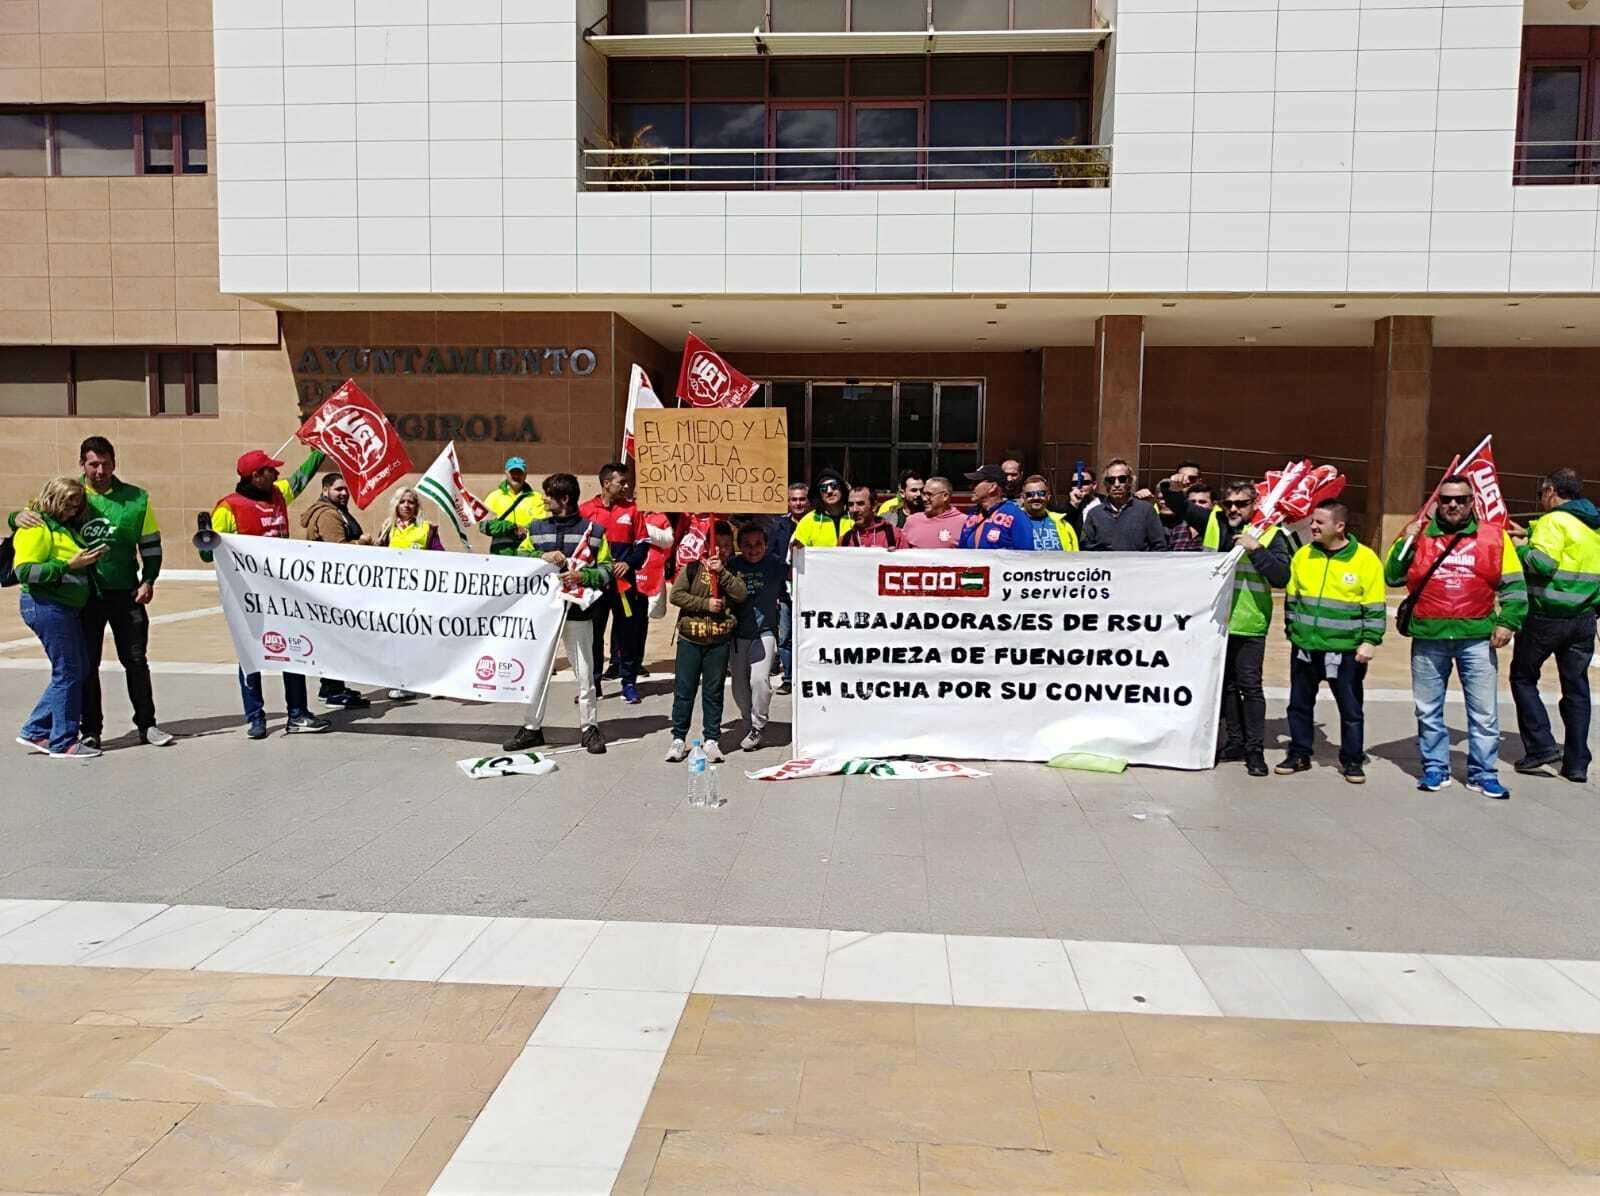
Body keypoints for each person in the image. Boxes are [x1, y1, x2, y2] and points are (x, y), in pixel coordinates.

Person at [8, 436, 172, 749]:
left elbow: (150, 546)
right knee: (87, 666)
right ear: (82, 464)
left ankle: (147, 724)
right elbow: (30, 516)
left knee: (136, 660)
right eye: (93, 464)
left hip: (127, 593)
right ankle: (91, 729)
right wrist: (14, 517)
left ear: (115, 463)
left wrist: (149, 579)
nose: (100, 471)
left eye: (106, 464)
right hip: (86, 598)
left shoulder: (137, 499)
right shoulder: (68, 493)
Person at [1387, 476, 1525, 799]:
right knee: (1427, 709)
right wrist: (1405, 543)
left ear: (1471, 502)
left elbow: (1515, 587)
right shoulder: (1418, 534)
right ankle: (1435, 767)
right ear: (1437, 502)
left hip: (1476, 637)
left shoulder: (1494, 538)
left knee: (1483, 711)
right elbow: (1392, 576)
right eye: (1446, 499)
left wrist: (1508, 622)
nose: (1453, 505)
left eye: (1460, 499)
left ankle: (1484, 773)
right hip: (1429, 636)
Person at [206, 448, 332, 739]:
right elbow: (208, 553)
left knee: (294, 650)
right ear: (256, 476)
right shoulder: (228, 508)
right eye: (270, 471)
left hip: (282, 594)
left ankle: (297, 713)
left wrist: (319, 452)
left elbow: (299, 480)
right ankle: (255, 717)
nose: (277, 474)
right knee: (250, 655)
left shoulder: (277, 494)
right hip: (247, 596)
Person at [1179, 480, 1292, 777]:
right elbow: (1180, 506)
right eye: (1228, 503)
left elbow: (1281, 576)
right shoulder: (1216, 525)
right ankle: (1235, 742)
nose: (1233, 509)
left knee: (1249, 687)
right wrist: (1171, 487)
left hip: (1249, 622)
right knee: (1226, 686)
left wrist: (1256, 550)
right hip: (1217, 622)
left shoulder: (1270, 534)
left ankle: (1255, 750)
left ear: (1254, 505)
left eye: (1241, 504)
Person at [504, 473, 612, 755]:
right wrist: (542, 557)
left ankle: (589, 728)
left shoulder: (596, 531)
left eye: (548, 495)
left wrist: (583, 576)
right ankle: (531, 729)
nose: (543, 499)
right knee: (537, 673)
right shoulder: (536, 528)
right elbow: (516, 558)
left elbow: (607, 569)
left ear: (563, 499)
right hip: (544, 615)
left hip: (577, 614)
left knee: (585, 673)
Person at [1279, 499, 1386, 783]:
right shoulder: (1303, 555)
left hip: (1346, 650)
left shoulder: (1365, 559)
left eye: (1319, 522)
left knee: (1350, 708)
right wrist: (1293, 631)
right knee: (1299, 704)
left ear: (1339, 526)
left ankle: (1352, 759)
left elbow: (1374, 605)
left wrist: (1370, 641)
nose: (1312, 526)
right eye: (1312, 521)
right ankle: (1299, 752)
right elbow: (1293, 598)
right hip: (1306, 647)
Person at [1509, 467, 1600, 783]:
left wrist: (1521, 546)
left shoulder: (1554, 521)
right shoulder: (1593, 525)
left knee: (1522, 676)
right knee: (1576, 689)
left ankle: (1541, 747)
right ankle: (1577, 764)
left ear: (1550, 491)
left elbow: (1543, 564)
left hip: (1548, 615)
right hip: (1584, 618)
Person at [13, 477, 104, 759]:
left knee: (78, 667)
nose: (72, 510)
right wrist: (68, 565)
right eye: (68, 504)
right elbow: (25, 571)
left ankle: (36, 730)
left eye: (77, 505)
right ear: (54, 499)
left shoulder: (63, 527)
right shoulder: (36, 527)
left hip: (63, 608)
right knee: (67, 672)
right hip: (46, 606)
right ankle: (62, 741)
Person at [666, 521, 747, 763]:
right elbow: (676, 595)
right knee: (684, 690)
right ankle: (678, 739)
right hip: (690, 639)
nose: (720, 550)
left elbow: (741, 594)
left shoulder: (732, 571)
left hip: (719, 641)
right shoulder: (691, 569)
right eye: (716, 545)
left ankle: (711, 739)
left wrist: (722, 573)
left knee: (713, 692)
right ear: (706, 547)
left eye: (725, 546)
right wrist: (705, 605)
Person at [300, 472, 372, 711]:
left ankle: (333, 685)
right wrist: (362, 543)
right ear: (325, 490)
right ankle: (332, 689)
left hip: (336, 590)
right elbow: (337, 551)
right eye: (338, 489)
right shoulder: (328, 515)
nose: (343, 493)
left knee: (337, 638)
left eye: (345, 490)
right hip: (330, 590)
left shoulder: (337, 511)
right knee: (333, 639)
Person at [580, 464, 649, 703]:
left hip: (624, 585)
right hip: (595, 583)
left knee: (627, 633)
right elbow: (579, 548)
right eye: (622, 482)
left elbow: (642, 546)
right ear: (606, 483)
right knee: (593, 634)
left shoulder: (633, 510)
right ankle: (593, 683)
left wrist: (629, 563)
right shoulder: (587, 510)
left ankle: (628, 683)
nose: (627, 486)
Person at [377, 485, 444, 700]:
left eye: (411, 502)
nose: (406, 505)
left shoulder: (427, 528)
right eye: (403, 501)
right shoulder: (388, 528)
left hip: (420, 592)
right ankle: (402, 682)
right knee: (398, 639)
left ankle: (434, 681)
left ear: (417, 507)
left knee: (424, 637)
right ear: (396, 504)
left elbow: (440, 555)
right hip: (394, 593)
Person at [729, 522, 786, 751]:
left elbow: (799, 570)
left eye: (758, 545)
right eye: (747, 545)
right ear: (740, 546)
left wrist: (803, 553)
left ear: (765, 545)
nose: (753, 550)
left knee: (760, 680)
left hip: (765, 632)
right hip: (738, 634)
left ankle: (758, 725)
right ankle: (747, 718)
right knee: (739, 686)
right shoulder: (733, 565)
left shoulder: (773, 563)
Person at [764, 482, 809, 694]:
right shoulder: (777, 526)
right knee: (785, 637)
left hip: (811, 590)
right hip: (784, 590)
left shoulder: (814, 522)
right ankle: (789, 678)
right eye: (794, 499)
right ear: (788, 502)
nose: (798, 503)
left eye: (801, 499)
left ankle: (809, 676)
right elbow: (771, 556)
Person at [1082, 460, 1166, 551]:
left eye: (1122, 479)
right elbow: (1085, 548)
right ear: (1106, 484)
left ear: (1129, 481)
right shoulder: (1094, 514)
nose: (1116, 484)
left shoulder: (1146, 511)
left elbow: (1159, 547)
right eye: (1111, 480)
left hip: (1137, 565)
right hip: (1105, 564)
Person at [478, 455, 548, 556]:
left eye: (519, 472)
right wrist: (512, 528)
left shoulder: (536, 498)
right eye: (512, 472)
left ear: (525, 474)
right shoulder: (494, 497)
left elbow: (539, 526)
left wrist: (524, 529)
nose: (516, 476)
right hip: (501, 555)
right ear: (506, 473)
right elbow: (485, 526)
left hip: (527, 555)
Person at [959, 465, 1034, 550]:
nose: (971, 487)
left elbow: (1026, 555)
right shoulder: (972, 515)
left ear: (992, 487)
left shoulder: (1016, 516)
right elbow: (962, 552)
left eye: (976, 483)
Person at [790, 468, 853, 547]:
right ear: (819, 494)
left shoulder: (855, 518)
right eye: (823, 488)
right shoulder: (807, 522)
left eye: (834, 485)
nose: (829, 491)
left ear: (842, 488)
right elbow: (797, 556)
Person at [901, 476, 967, 549]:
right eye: (924, 494)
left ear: (945, 496)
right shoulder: (912, 521)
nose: (924, 499)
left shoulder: (964, 522)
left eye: (929, 494)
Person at [1017, 475, 1079, 551]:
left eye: (1041, 493)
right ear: (1022, 498)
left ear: (1048, 496)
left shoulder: (1064, 524)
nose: (1036, 498)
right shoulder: (1014, 523)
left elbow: (1075, 556)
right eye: (1030, 494)